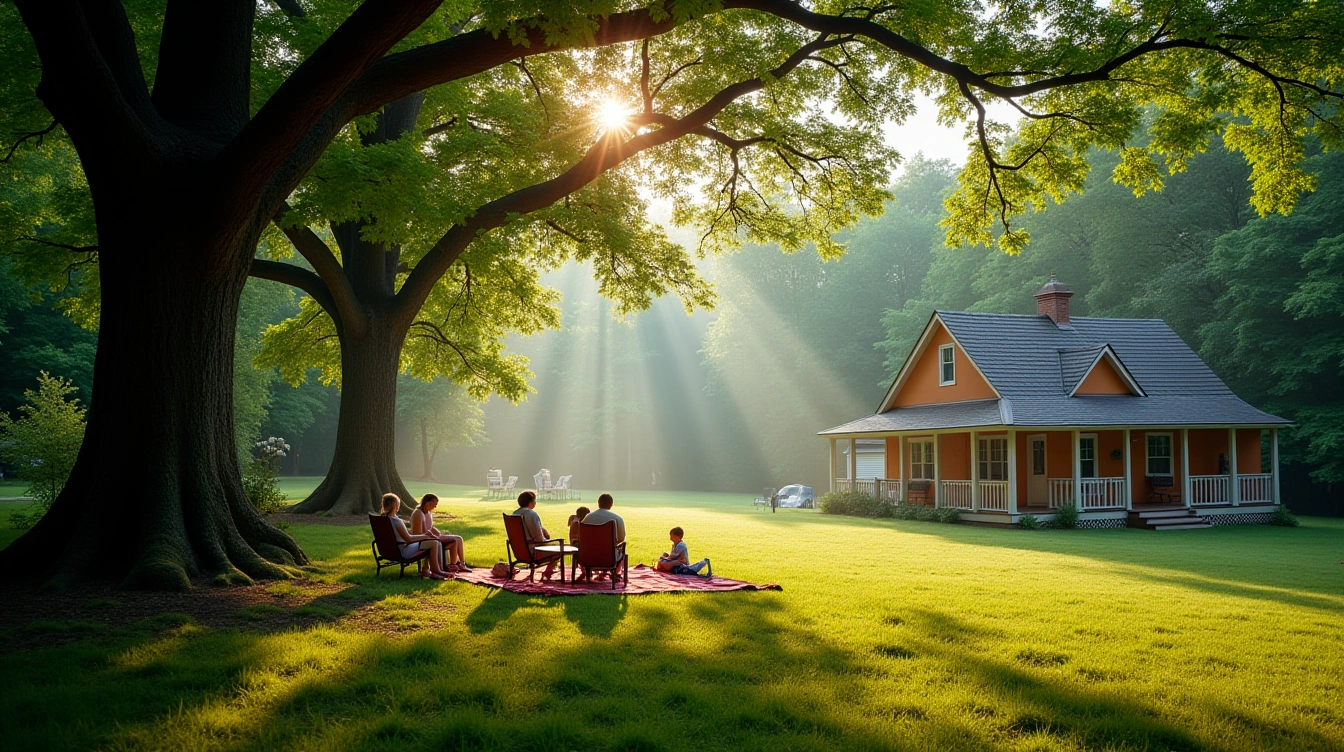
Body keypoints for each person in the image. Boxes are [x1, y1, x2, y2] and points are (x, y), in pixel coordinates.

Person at [380, 493, 450, 581]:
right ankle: (436, 571)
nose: (399, 506)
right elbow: (409, 539)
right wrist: (425, 536)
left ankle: (431, 569)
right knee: (434, 543)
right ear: (395, 505)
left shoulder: (382, 519)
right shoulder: (397, 521)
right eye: (398, 504)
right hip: (403, 551)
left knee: (432, 541)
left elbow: (398, 534)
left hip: (389, 550)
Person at [509, 490, 561, 580]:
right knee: (559, 546)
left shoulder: (514, 514)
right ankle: (549, 570)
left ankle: (548, 569)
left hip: (519, 551)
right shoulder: (531, 514)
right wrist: (547, 539)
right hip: (532, 551)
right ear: (531, 502)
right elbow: (539, 538)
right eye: (534, 500)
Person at [411, 493, 470, 572]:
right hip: (423, 539)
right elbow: (419, 532)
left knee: (458, 538)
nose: (435, 507)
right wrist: (433, 536)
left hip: (429, 536)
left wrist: (437, 533)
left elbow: (429, 527)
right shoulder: (418, 513)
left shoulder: (428, 513)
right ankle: (453, 565)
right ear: (429, 503)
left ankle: (459, 563)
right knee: (455, 540)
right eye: (435, 505)